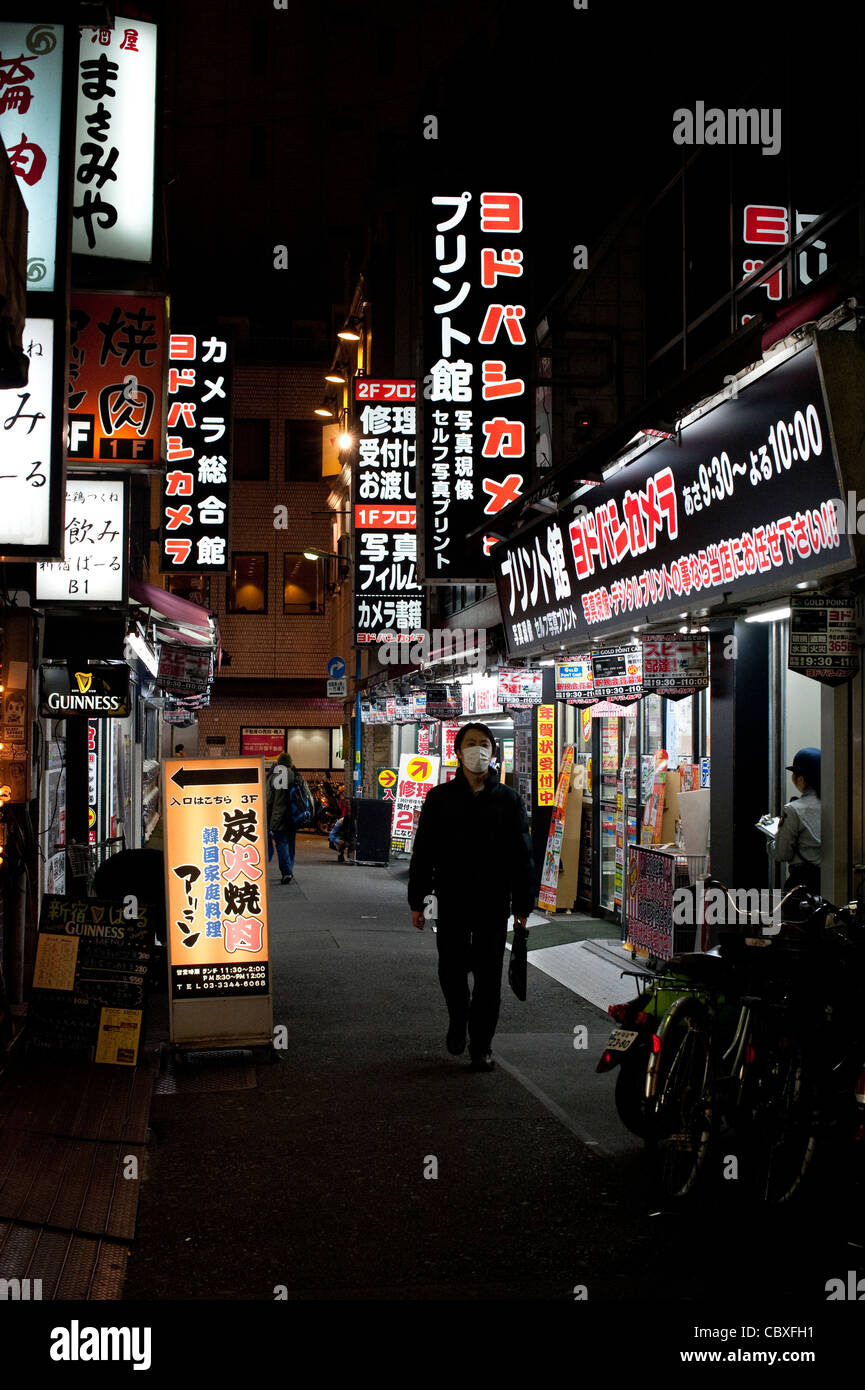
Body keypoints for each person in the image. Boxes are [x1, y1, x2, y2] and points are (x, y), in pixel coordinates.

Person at [407, 722, 536, 1071]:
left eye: (484, 744)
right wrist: (417, 901)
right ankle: (457, 1018)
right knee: (450, 969)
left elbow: (523, 857)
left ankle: (481, 1045)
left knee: (488, 977)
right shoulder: (439, 799)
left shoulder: (509, 801)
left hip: (494, 903)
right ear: (458, 751)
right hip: (451, 900)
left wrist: (524, 907)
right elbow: (423, 853)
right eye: (470, 744)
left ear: (493, 753)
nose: (477, 750)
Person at [769, 747, 821, 894]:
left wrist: (772, 837)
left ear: (801, 779)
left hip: (803, 884)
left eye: (794, 774)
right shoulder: (836, 806)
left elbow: (782, 853)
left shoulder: (794, 809)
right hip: (829, 881)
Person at [266, 752, 312, 884]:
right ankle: (289, 870)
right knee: (291, 843)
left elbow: (268, 800)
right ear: (290, 763)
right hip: (293, 817)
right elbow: (308, 796)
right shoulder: (296, 776)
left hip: (277, 818)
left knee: (281, 843)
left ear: (278, 763)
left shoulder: (273, 777)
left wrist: (267, 818)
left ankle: (286, 872)